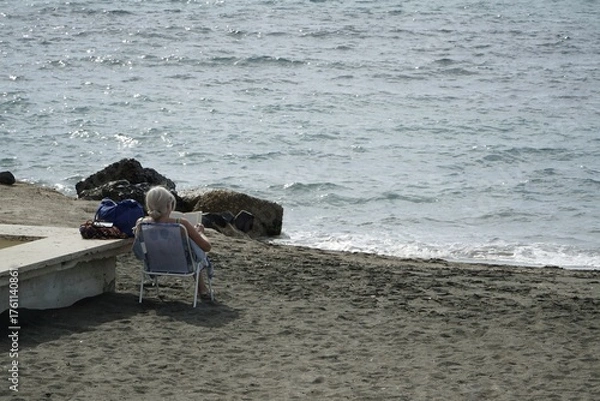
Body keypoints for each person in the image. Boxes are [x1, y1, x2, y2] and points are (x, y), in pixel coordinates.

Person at [133, 186, 213, 299]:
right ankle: (202, 289)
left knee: (188, 247)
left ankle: (202, 288)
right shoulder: (181, 225)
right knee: (192, 249)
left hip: (155, 264)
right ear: (168, 206)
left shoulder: (141, 224)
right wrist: (200, 233)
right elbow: (206, 247)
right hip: (183, 265)